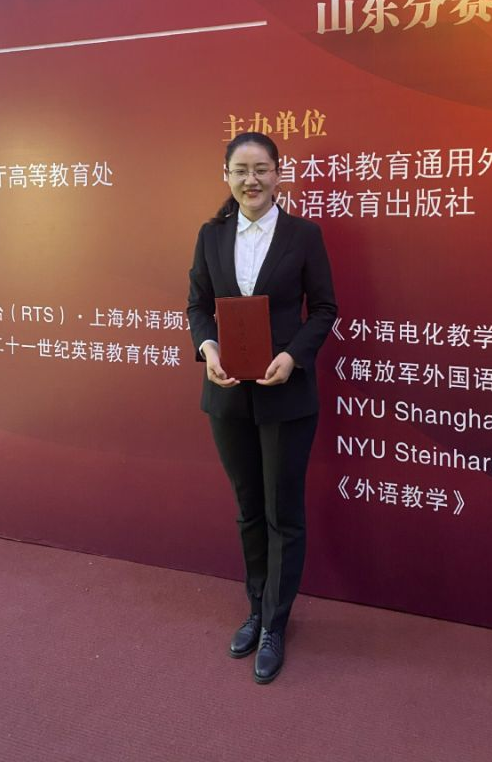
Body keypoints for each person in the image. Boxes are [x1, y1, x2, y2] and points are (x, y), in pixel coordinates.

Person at [187, 132, 337, 684]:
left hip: (286, 394)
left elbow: (324, 309)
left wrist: (293, 357)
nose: (251, 180)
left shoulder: (304, 235)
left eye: (261, 169)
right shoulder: (211, 235)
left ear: (279, 173)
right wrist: (208, 350)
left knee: (283, 513)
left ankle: (276, 622)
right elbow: (197, 305)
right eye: (241, 170)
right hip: (228, 394)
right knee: (249, 508)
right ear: (226, 175)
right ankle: (256, 607)